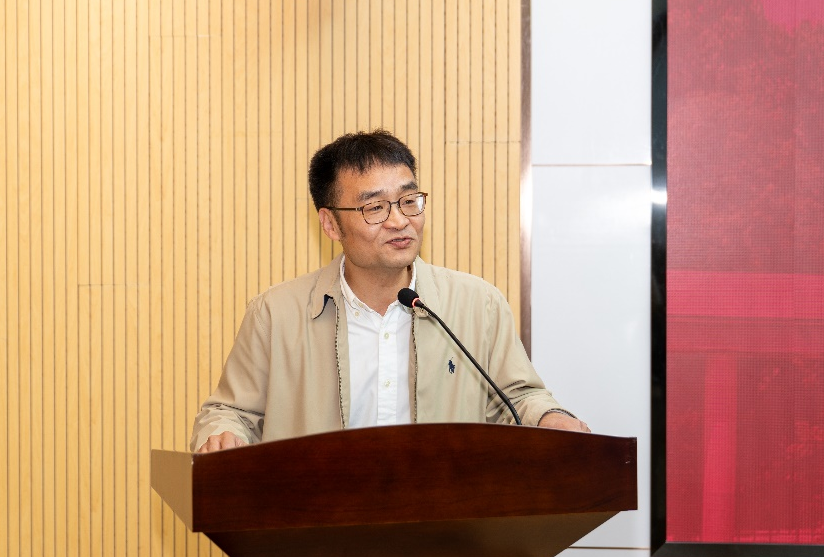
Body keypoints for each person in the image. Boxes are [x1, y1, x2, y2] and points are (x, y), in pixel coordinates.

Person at [191, 129, 588, 453]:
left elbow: (517, 399)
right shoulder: (275, 313)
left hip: (443, 519)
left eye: (409, 200)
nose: (399, 221)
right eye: (375, 208)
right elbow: (231, 411)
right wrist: (224, 435)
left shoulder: (477, 304)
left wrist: (549, 417)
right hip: (319, 519)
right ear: (330, 224)